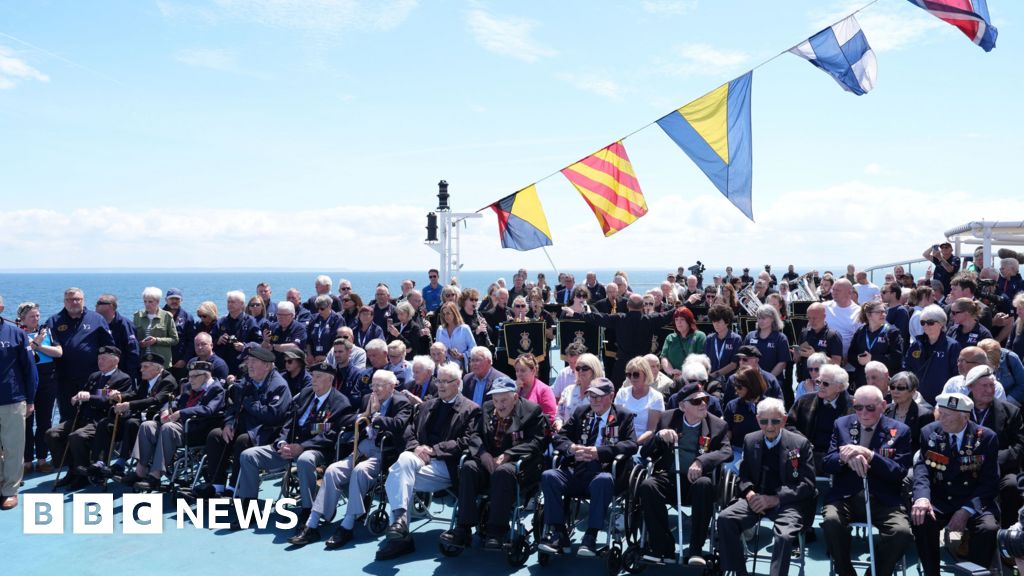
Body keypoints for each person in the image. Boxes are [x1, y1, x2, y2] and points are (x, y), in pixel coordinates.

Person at [289, 369, 413, 548]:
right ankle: (312, 524)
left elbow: (399, 425)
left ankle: (347, 525)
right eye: (373, 385)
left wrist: (376, 415)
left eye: (380, 385)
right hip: (361, 448)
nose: (375, 389)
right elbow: (346, 420)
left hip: (384, 451)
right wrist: (364, 415)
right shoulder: (367, 399)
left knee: (359, 471)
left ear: (392, 386)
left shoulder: (402, 402)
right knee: (332, 470)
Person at [376, 364, 481, 561]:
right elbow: (409, 431)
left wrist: (434, 450)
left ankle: (401, 536)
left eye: (445, 381)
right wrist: (416, 447)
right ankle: (400, 525)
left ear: (458, 384)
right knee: (403, 463)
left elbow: (467, 442)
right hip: (419, 460)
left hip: (447, 466)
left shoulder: (471, 410)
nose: (440, 385)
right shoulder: (426, 406)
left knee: (397, 473)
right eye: (438, 381)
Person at [232, 361, 354, 530]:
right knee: (248, 455)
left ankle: (308, 510)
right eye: (313, 376)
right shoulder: (305, 394)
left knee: (304, 460)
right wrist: (282, 442)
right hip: (290, 446)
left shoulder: (340, 402)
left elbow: (330, 436)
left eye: (319, 377)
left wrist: (302, 446)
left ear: (330, 380)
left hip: (317, 450)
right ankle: (249, 508)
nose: (314, 380)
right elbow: (288, 422)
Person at [440, 376, 548, 550]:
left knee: (503, 472)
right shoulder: (487, 408)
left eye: (504, 400)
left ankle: (496, 531)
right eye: (496, 400)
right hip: (489, 460)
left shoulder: (532, 411)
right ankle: (463, 528)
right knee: (468, 467)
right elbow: (474, 435)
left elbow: (537, 442)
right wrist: (483, 454)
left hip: (519, 465)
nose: (500, 405)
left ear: (514, 397)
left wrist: (508, 454)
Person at [538, 378, 636, 557]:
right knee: (549, 476)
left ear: (611, 396)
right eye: (591, 395)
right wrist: (571, 448)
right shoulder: (581, 412)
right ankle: (560, 533)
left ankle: (591, 536)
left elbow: (631, 445)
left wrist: (600, 452)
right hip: (575, 470)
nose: (594, 400)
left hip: (601, 472)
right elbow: (560, 437)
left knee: (604, 481)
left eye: (599, 396)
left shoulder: (623, 415)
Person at [717, 397, 816, 576]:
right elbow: (744, 476)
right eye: (764, 421)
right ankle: (738, 571)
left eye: (775, 421)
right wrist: (750, 494)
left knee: (785, 536)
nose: (769, 426)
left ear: (784, 420)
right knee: (725, 518)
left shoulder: (800, 444)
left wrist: (775, 499)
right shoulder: (750, 439)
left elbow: (807, 485)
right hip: (756, 498)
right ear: (757, 420)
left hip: (787, 502)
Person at [821, 386, 913, 576]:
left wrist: (870, 455)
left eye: (870, 408)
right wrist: (844, 457)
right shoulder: (842, 424)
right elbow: (827, 464)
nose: (863, 413)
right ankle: (845, 572)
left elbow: (899, 471)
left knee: (902, 532)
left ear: (883, 406)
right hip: (846, 496)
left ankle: (875, 573)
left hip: (883, 498)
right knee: (831, 521)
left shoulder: (900, 431)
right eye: (858, 407)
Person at [638, 381, 730, 565]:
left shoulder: (717, 425)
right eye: (696, 402)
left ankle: (696, 549)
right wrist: (657, 437)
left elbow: (726, 452)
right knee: (648, 486)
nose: (703, 404)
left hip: (697, 480)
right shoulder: (667, 419)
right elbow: (645, 453)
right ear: (682, 406)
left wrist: (701, 461)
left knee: (704, 486)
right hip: (670, 475)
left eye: (705, 399)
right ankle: (662, 548)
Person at [911, 393, 999, 576]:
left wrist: (967, 510)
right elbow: (922, 469)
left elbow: (990, 481)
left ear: (965, 416)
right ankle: (931, 572)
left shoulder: (985, 438)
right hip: (941, 497)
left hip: (974, 499)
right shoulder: (929, 432)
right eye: (939, 413)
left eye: (947, 414)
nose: (941, 419)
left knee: (988, 528)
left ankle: (975, 572)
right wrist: (922, 498)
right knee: (922, 518)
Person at [198, 346, 291, 498]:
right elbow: (232, 406)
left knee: (243, 441)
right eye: (249, 361)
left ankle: (235, 487)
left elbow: (273, 416)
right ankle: (217, 485)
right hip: (244, 426)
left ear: (267, 366)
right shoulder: (247, 381)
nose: (250, 365)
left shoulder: (279, 385)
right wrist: (229, 423)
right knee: (215, 435)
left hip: (265, 431)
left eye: (255, 362)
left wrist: (249, 403)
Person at [125, 360, 225, 490]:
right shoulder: (189, 387)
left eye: (194, 376)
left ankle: (155, 476)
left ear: (205, 376)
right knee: (148, 425)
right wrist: (165, 410)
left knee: (168, 427)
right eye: (189, 376)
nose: (190, 379)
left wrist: (181, 413)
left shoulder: (217, 389)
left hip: (196, 429)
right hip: (178, 426)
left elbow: (209, 410)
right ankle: (140, 471)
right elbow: (175, 401)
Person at [46, 345, 134, 490]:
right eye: (99, 358)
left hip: (102, 421)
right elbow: (86, 392)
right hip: (83, 418)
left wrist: (89, 397)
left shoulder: (123, 378)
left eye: (104, 358)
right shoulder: (94, 376)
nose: (100, 361)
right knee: (52, 434)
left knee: (77, 436)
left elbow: (108, 398)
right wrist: (78, 397)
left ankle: (84, 473)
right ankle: (72, 469)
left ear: (115, 360)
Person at [88, 352, 178, 479]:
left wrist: (128, 405)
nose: (141, 370)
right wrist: (120, 396)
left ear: (157, 368)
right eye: (142, 366)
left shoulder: (167, 381)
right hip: (135, 416)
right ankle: (99, 461)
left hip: (153, 420)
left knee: (131, 423)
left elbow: (155, 400)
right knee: (105, 423)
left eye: (145, 367)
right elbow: (135, 394)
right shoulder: (146, 380)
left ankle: (121, 462)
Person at [563, 293, 675, 386]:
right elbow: (669, 314)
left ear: (627, 305)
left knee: (616, 391)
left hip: (622, 365)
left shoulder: (620, 318)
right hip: (643, 365)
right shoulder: (651, 319)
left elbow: (599, 318)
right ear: (642, 306)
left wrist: (575, 314)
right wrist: (686, 302)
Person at [964, 365, 1024, 528]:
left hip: (1001, 469)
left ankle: (1008, 533)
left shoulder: (1011, 412)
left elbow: (1019, 447)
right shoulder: (959, 410)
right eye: (984, 386)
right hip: (965, 467)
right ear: (971, 386)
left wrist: (989, 461)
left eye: (992, 385)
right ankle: (969, 532)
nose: (990, 390)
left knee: (1012, 485)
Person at [46, 287, 114, 421]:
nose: (74, 302)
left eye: (77, 299)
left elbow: (109, 347)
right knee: (67, 416)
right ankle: (67, 441)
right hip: (64, 379)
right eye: (69, 299)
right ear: (64, 301)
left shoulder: (97, 319)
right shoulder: (53, 321)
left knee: (94, 413)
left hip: (93, 378)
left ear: (83, 300)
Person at [0, 306, 38, 510]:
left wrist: (30, 399)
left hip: (12, 399)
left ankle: (10, 491)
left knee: (13, 447)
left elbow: (29, 368)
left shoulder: (15, 333)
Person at [786, 364, 854, 473]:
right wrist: (803, 441)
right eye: (818, 382)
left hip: (840, 458)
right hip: (807, 454)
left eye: (825, 383)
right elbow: (788, 425)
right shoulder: (804, 401)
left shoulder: (854, 406)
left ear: (840, 387)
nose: (820, 386)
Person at [17, 302, 60, 474]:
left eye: (37, 315)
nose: (36, 319)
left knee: (44, 421)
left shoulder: (47, 332)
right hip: (26, 379)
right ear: (22, 319)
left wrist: (38, 344)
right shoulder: (17, 334)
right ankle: (27, 460)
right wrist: (35, 344)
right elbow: (25, 355)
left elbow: (58, 352)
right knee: (26, 421)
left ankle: (42, 458)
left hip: (47, 378)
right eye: (31, 316)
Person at [905, 304, 961, 404]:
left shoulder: (952, 346)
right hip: (917, 399)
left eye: (930, 323)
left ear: (941, 324)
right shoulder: (916, 345)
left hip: (941, 400)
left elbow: (956, 375)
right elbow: (907, 368)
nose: (925, 326)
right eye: (923, 322)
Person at [847, 300, 905, 389]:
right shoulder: (861, 331)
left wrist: (872, 359)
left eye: (884, 312)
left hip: (883, 383)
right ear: (869, 315)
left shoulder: (892, 332)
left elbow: (897, 359)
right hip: (863, 381)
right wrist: (859, 360)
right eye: (879, 312)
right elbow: (851, 355)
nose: (883, 314)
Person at [793, 302, 844, 401]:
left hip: (825, 385)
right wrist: (797, 354)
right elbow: (797, 360)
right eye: (809, 318)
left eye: (815, 318)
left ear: (824, 316)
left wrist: (815, 355)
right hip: (805, 382)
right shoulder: (804, 333)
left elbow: (837, 362)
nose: (812, 321)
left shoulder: (832, 335)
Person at [722, 366, 767, 472]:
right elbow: (728, 432)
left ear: (751, 385)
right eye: (735, 386)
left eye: (739, 387)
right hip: (738, 451)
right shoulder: (732, 406)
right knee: (728, 469)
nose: (736, 391)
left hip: (764, 451)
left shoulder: (768, 405)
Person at [614, 356, 664, 443]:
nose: (632, 378)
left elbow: (651, 431)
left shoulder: (656, 397)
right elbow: (614, 422)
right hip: (620, 442)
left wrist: (633, 444)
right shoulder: (622, 393)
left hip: (642, 445)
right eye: (629, 375)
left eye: (636, 375)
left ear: (646, 374)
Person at [884, 371, 934, 454]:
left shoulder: (924, 415)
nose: (895, 391)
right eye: (892, 387)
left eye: (901, 388)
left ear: (913, 391)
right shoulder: (885, 410)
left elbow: (924, 447)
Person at [213, 291, 261, 377]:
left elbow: (259, 344)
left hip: (242, 364)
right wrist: (218, 341)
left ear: (242, 304)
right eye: (228, 302)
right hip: (223, 363)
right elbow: (211, 342)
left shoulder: (250, 321)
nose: (230, 304)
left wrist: (244, 346)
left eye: (233, 302)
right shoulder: (221, 322)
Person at [95, 294, 141, 382]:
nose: (96, 305)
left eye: (100, 303)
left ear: (111, 306)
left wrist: (128, 375)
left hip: (121, 374)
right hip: (102, 373)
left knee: (118, 395)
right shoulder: (97, 324)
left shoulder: (125, 325)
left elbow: (133, 352)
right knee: (102, 394)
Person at [133, 287, 179, 371]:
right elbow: (133, 338)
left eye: (150, 301)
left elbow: (175, 340)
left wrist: (156, 340)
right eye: (145, 301)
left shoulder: (166, 316)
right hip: (143, 362)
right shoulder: (137, 316)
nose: (147, 304)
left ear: (157, 302)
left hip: (161, 363)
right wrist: (139, 343)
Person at [742, 304, 790, 384]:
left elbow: (782, 363)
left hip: (773, 380)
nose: (760, 321)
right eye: (759, 318)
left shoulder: (780, 338)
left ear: (772, 319)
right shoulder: (750, 336)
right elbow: (743, 359)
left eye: (764, 318)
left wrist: (767, 379)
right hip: (751, 381)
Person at [557, 353, 603, 432]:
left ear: (594, 369)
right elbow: (559, 415)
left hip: (591, 438)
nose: (580, 371)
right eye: (578, 368)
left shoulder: (601, 393)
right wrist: (559, 425)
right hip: (566, 436)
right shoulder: (567, 390)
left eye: (585, 368)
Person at [660, 307, 706, 379]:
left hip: (692, 379)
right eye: (676, 320)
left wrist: (684, 374)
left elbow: (700, 360)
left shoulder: (699, 336)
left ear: (689, 321)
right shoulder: (670, 337)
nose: (679, 322)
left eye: (682, 319)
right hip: (673, 379)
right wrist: (671, 371)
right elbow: (664, 358)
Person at [513, 353, 557, 427]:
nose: (519, 374)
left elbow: (550, 418)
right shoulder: (513, 388)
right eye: (517, 371)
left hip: (537, 432)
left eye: (523, 371)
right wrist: (515, 392)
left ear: (533, 371)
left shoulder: (544, 390)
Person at [263, 301, 308, 370]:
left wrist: (273, 346)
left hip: (292, 369)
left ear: (292, 315)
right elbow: (264, 348)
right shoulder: (273, 327)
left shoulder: (299, 328)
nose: (280, 317)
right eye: (278, 315)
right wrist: (265, 341)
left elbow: (294, 347)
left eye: (284, 315)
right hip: (274, 367)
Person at [825, 278, 862, 359]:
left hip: (847, 363)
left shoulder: (859, 312)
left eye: (837, 290)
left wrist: (848, 358)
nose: (833, 293)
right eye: (833, 290)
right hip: (824, 361)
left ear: (849, 292)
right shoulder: (824, 307)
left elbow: (860, 340)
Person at [164, 288, 196, 380]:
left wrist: (185, 360)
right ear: (166, 300)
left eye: (177, 299)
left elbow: (191, 341)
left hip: (180, 362)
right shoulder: (159, 315)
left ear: (181, 300)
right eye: (171, 298)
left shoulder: (187, 317)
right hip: (162, 361)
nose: (174, 301)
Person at [705, 304, 741, 384]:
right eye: (714, 322)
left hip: (729, 381)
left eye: (718, 322)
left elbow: (734, 364)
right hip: (711, 380)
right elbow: (705, 360)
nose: (715, 324)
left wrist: (715, 374)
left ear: (727, 322)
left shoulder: (736, 339)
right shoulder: (709, 338)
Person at [434, 301, 474, 372]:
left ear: (455, 313)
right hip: (443, 368)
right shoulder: (440, 329)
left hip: (460, 369)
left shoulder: (464, 328)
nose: (446, 316)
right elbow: (436, 349)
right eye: (444, 314)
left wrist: (461, 355)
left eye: (448, 313)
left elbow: (473, 349)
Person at [307, 294, 343, 364]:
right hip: (314, 359)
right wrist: (309, 355)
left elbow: (338, 341)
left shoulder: (337, 319)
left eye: (322, 309)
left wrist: (326, 357)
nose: (319, 311)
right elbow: (308, 340)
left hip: (331, 359)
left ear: (329, 306)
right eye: (318, 308)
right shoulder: (314, 318)